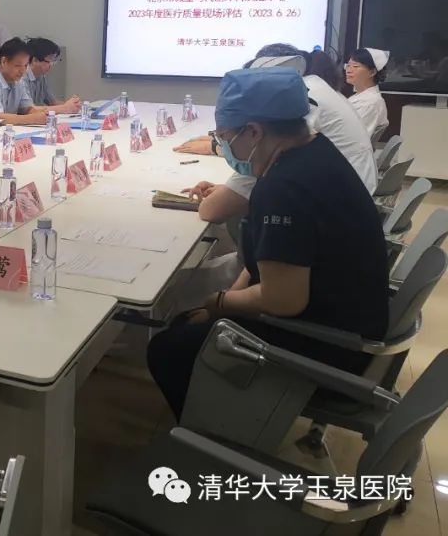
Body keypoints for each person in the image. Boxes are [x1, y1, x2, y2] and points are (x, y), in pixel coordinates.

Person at [148, 68, 389, 418]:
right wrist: (226, 301)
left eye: (224, 136)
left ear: (254, 131)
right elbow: (268, 261)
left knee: (168, 348)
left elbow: (283, 299)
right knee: (189, 322)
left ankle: (218, 434)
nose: (224, 146)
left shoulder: (283, 188)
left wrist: (218, 302)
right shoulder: (313, 151)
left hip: (330, 347)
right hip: (349, 322)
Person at [177, 44, 377, 224]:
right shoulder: (310, 92)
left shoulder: (298, 107)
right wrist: (228, 189)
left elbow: (213, 211)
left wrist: (227, 192)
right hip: (350, 204)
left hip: (334, 217)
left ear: (254, 130)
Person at [24, 37, 82, 113]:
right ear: (35, 60)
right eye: (49, 61)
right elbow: (30, 110)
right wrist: (65, 108)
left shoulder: (41, 76)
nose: (51, 65)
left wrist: (74, 105)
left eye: (53, 61)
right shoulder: (22, 78)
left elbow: (52, 102)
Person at [345, 47, 390, 142]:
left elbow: (352, 137)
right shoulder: (360, 96)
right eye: (348, 65)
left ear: (372, 72)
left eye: (355, 66)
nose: (348, 70)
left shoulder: (369, 103)